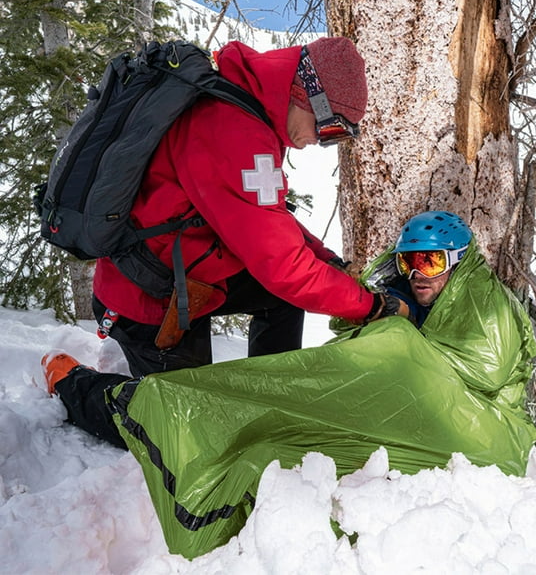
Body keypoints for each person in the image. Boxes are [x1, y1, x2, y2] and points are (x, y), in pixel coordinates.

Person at [51, 210, 536, 558]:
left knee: (227, 413)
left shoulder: (483, 307)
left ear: (459, 263)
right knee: (191, 405)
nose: (418, 275)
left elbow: (484, 369)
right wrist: (391, 314)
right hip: (146, 309)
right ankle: (77, 386)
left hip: (464, 418)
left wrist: (401, 334)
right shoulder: (400, 297)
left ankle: (84, 387)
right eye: (409, 264)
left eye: (431, 263)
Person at [41, 37, 410, 448]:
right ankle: (72, 384)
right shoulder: (232, 131)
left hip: (194, 280)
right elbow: (282, 266)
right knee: (182, 433)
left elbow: (269, 220)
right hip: (149, 298)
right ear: (304, 94)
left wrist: (328, 262)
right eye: (331, 128)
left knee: (279, 300)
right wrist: (369, 305)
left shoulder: (249, 116)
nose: (321, 142)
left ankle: (272, 402)